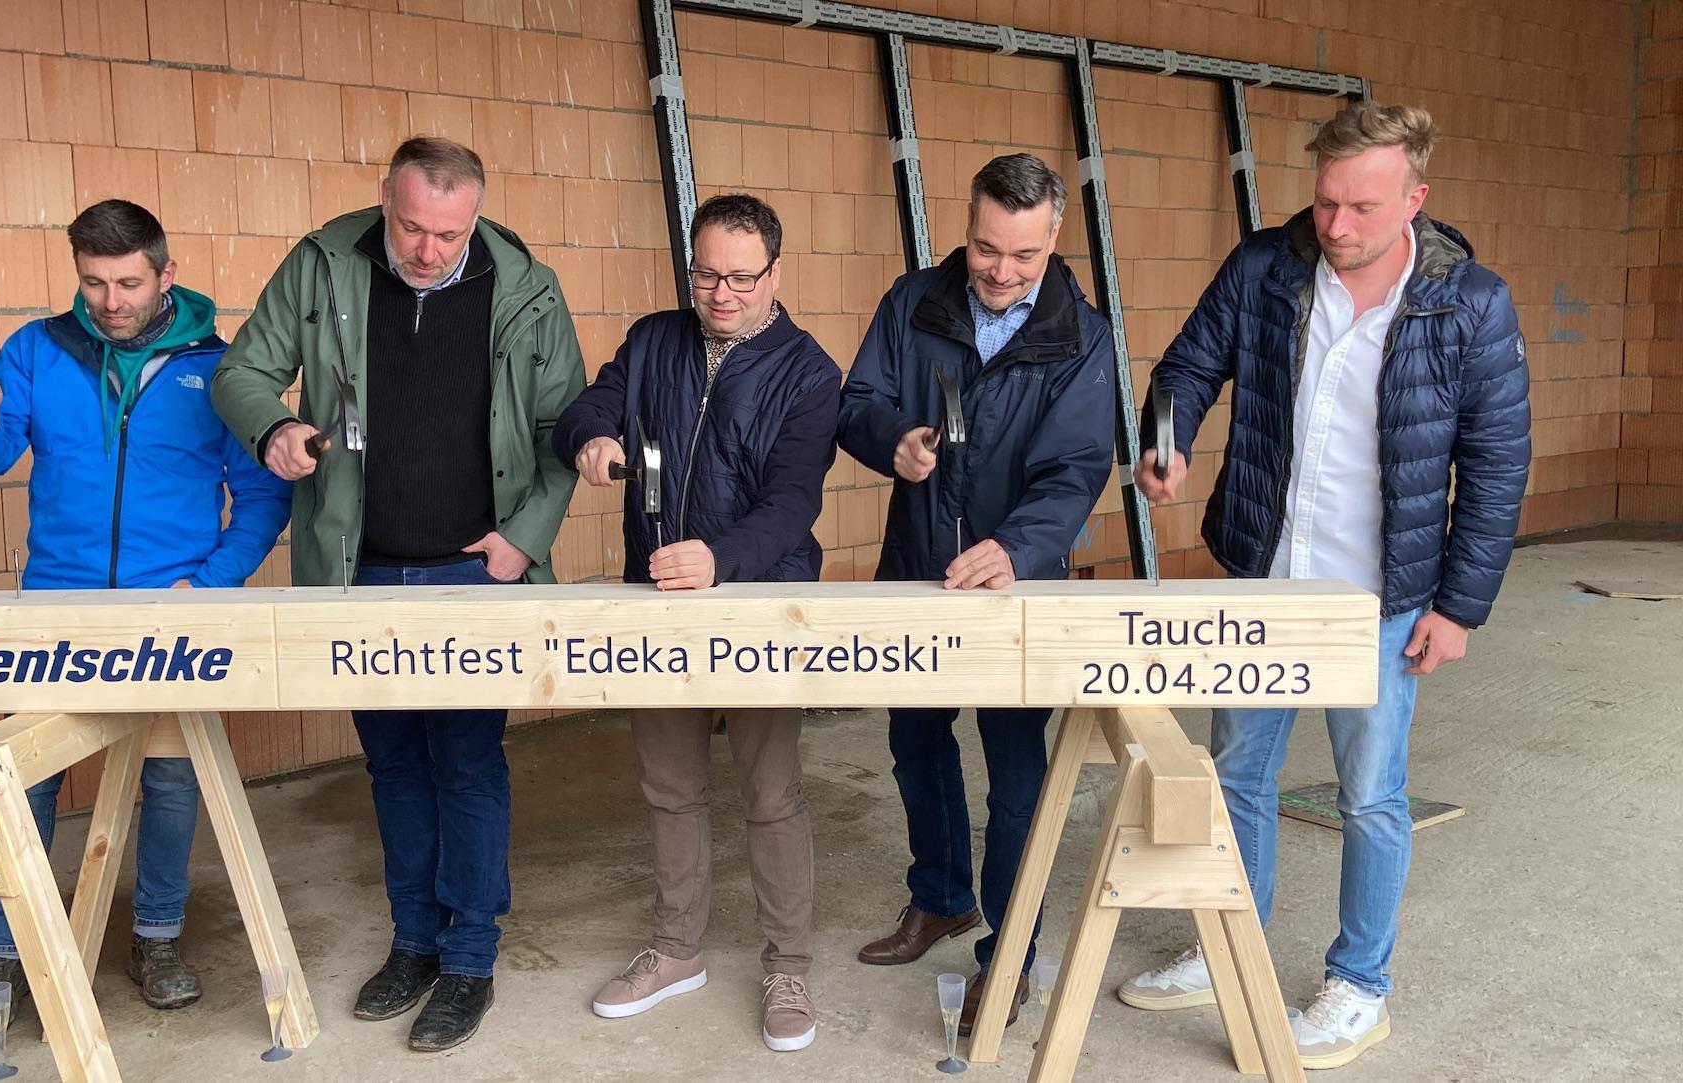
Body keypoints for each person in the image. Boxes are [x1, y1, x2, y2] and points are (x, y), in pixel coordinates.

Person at [1117, 101, 1530, 1070]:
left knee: (1372, 798)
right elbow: (1187, 366)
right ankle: (1233, 943)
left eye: (1361, 207)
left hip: (1384, 598)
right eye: (1325, 201)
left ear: (1415, 199)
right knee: (1235, 776)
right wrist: (1164, 442)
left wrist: (1460, 606)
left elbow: (1499, 462)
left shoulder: (1471, 304)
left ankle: (1359, 988)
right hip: (1266, 578)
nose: (1336, 225)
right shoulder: (1266, 265)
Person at [210, 136, 585, 1052]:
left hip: (474, 572)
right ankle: (413, 941)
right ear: (385, 202)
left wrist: (521, 541)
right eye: (412, 227)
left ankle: (471, 959)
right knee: (393, 765)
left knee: (466, 762)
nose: (427, 250)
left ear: (477, 216)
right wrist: (276, 430)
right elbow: (241, 372)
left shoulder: (526, 287)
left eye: (448, 234)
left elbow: (563, 427)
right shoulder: (323, 262)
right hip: (359, 567)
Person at [0, 199, 292, 1046]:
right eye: (93, 281)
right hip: (55, 604)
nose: (110, 299)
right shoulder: (34, 350)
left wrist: (209, 585)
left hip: (171, 609)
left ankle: (156, 940)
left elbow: (266, 492)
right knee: (22, 780)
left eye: (128, 281)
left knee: (169, 777)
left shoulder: (221, 367)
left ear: (167, 273)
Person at [837, 154, 1117, 1034]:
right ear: (967, 225)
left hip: (1014, 591)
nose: (1000, 271)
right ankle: (941, 896)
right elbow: (857, 402)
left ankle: (1012, 951)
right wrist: (895, 442)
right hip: (917, 569)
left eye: (1023, 257)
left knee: (1017, 774)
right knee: (915, 744)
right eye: (986, 248)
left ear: (1054, 239)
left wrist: (1018, 548)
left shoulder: (1084, 335)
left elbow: (1077, 466)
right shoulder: (913, 300)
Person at [554, 193, 840, 1052]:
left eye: (741, 278)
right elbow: (586, 407)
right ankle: (678, 947)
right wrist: (593, 439)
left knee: (770, 791)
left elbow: (793, 502)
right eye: (708, 273)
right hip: (658, 604)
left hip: (757, 601)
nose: (721, 293)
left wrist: (721, 557)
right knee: (669, 785)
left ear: (775, 275)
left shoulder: (810, 373)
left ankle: (787, 960)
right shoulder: (653, 341)